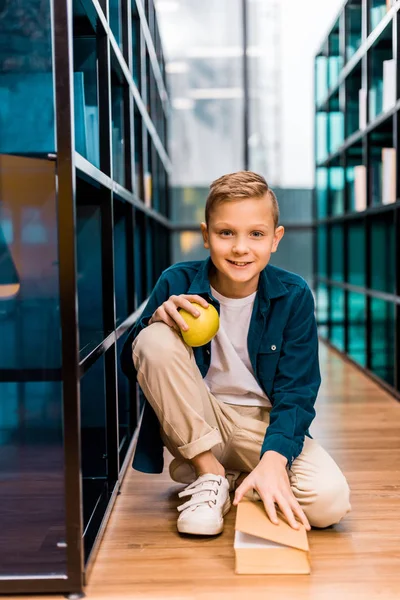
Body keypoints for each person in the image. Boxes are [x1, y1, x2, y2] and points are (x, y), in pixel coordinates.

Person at [121, 171, 351, 536]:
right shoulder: (175, 282)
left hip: (260, 425)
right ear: (206, 235)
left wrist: (275, 459)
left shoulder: (293, 295)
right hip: (197, 415)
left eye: (256, 234)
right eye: (226, 232)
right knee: (152, 339)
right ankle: (210, 471)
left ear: (275, 239)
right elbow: (136, 367)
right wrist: (154, 320)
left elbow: (298, 390)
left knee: (328, 503)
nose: (240, 247)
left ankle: (226, 470)